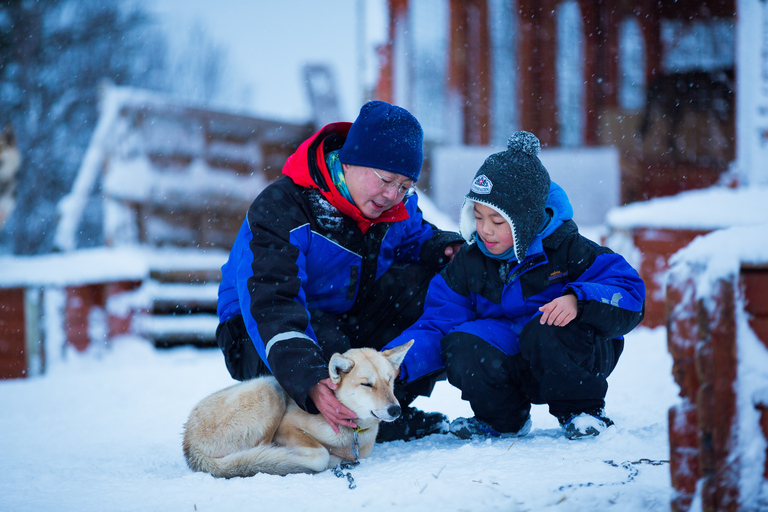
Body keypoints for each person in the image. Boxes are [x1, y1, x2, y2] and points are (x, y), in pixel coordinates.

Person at [215, 100, 464, 442]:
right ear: (350, 161)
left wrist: (446, 249)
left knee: (434, 286)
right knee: (329, 343)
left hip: (342, 320)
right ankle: (315, 418)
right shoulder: (283, 208)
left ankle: (382, 412)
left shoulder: (393, 206)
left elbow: (415, 238)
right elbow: (271, 300)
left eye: (405, 186)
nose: (393, 195)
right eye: (386, 179)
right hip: (254, 330)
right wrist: (310, 378)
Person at [383, 131, 646, 440]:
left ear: (526, 220)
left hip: (573, 355)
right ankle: (501, 419)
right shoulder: (469, 262)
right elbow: (438, 323)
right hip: (514, 359)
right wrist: (392, 362)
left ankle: (582, 413)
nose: (485, 230)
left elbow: (629, 292)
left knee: (546, 327)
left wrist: (579, 300)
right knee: (461, 341)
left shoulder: (570, 249)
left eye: (497, 221)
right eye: (478, 216)